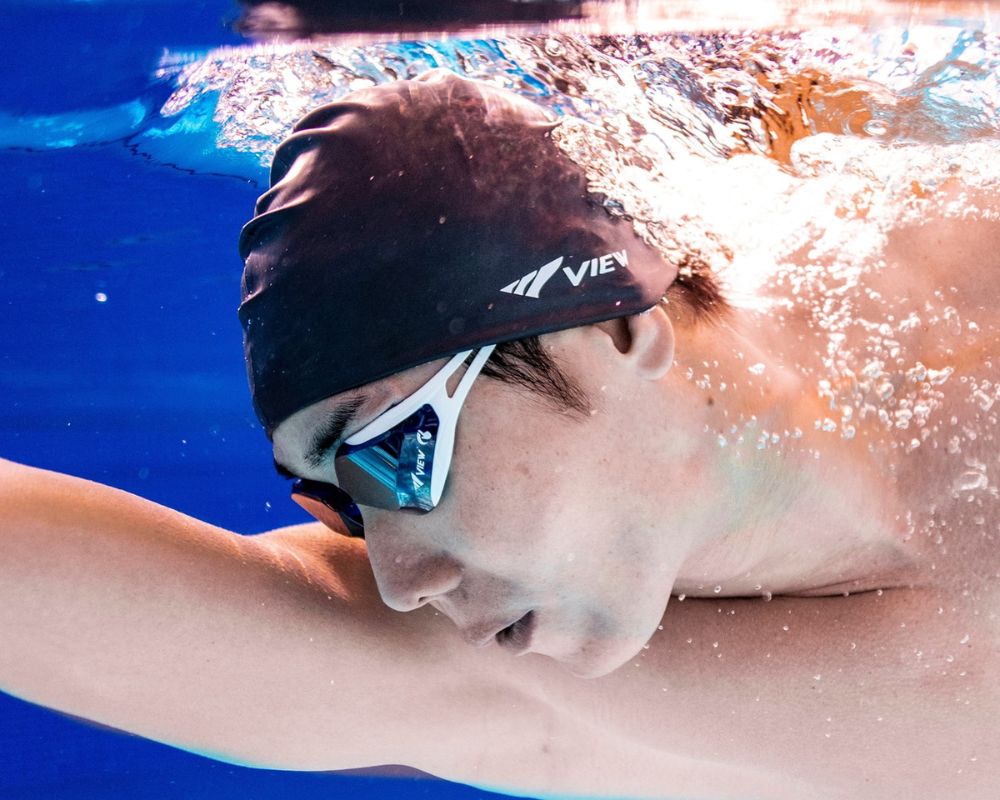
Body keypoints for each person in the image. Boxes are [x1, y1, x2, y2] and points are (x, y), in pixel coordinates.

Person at [2, 68, 999, 799]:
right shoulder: (614, 674)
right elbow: (355, 660)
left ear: (615, 328)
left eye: (392, 455)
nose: (400, 579)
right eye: (344, 504)